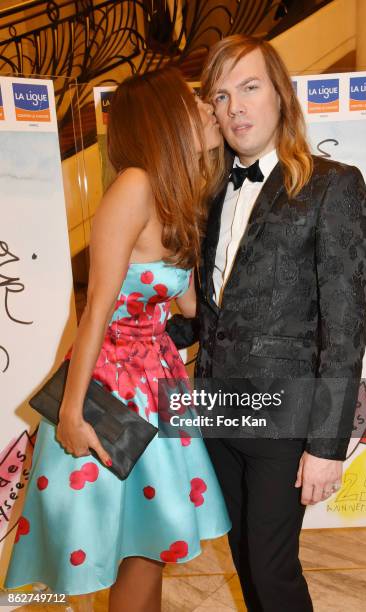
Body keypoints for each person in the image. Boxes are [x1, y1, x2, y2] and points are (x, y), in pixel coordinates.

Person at [5, 67, 231, 611]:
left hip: (157, 385)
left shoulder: (179, 196)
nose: (207, 109)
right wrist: (71, 414)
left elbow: (189, 306)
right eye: (194, 101)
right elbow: (95, 314)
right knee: (128, 544)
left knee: (148, 546)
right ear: (164, 118)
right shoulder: (134, 185)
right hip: (110, 394)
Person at [167, 35, 366, 611]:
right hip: (214, 411)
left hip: (284, 420)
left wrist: (328, 446)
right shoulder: (209, 194)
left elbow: (344, 326)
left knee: (273, 569)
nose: (235, 106)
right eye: (222, 94)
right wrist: (140, 338)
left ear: (280, 95)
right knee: (243, 561)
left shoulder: (333, 186)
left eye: (250, 87)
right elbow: (211, 315)